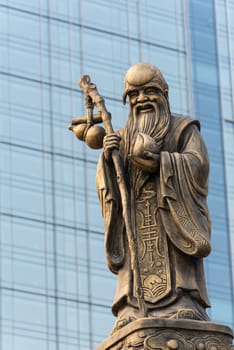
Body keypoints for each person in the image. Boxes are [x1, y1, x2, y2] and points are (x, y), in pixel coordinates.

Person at [96, 63, 211, 332]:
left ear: (165, 94)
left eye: (149, 92)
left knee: (177, 265)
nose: (142, 99)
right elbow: (110, 185)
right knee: (134, 268)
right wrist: (108, 159)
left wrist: (163, 163)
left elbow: (199, 165)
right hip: (135, 219)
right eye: (134, 95)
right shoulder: (121, 137)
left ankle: (183, 301)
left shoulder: (183, 129)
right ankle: (132, 307)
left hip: (171, 213)